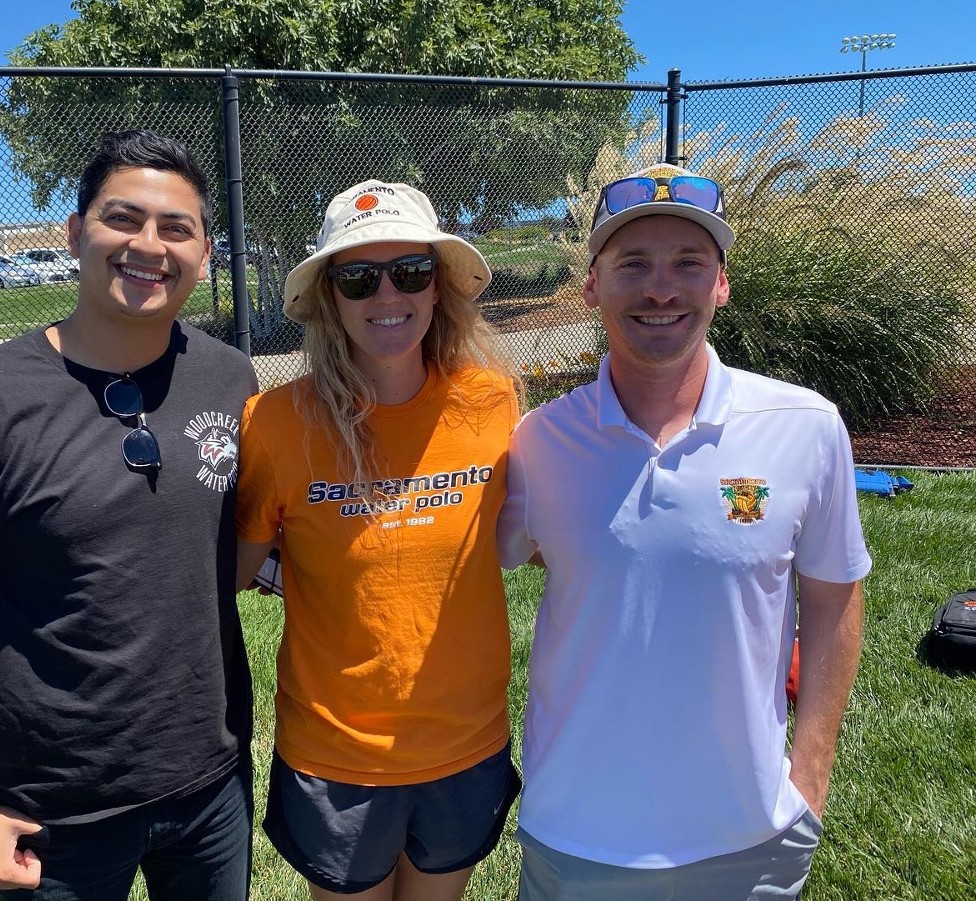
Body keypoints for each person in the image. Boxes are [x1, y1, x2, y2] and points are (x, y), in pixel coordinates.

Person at [0, 130, 257, 901]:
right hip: (52, 813)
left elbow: (227, 550)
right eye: (124, 218)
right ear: (76, 234)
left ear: (205, 253)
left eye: (176, 228)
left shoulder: (229, 378)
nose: (149, 244)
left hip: (211, 785)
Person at [498, 163, 871, 900]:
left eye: (689, 264)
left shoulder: (804, 426)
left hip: (752, 838)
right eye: (632, 263)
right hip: (578, 832)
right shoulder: (536, 443)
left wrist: (811, 775)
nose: (661, 288)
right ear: (591, 287)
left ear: (722, 283)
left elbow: (835, 594)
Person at [235, 180, 522, 900]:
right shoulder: (273, 423)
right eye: (358, 277)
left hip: (466, 740)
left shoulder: (493, 403)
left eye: (411, 272)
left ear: (439, 286)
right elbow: (232, 571)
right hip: (338, 751)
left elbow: (547, 533)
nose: (386, 295)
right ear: (330, 296)